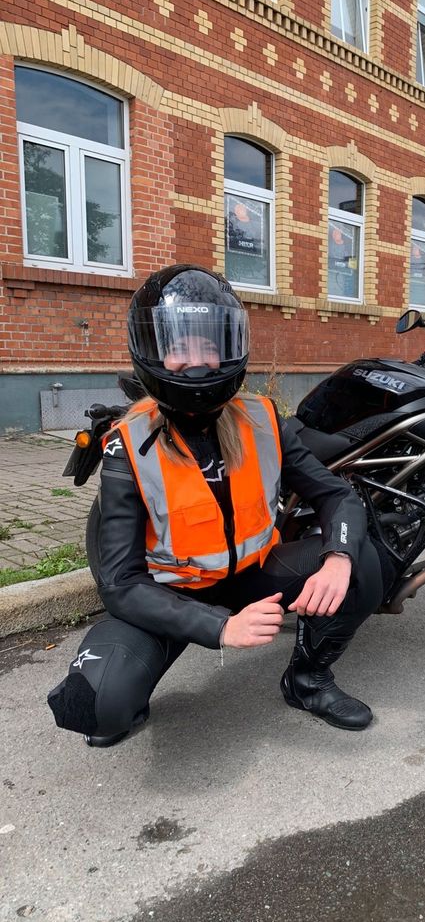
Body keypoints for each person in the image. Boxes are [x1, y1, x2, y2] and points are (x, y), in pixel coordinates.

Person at [47, 264, 386, 747]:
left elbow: (337, 496)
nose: (196, 360)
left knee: (362, 564)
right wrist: (220, 627)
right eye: (179, 345)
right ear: (155, 351)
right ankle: (129, 691)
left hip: (253, 574)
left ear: (228, 347)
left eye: (208, 344)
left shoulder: (263, 420)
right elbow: (120, 583)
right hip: (172, 592)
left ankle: (307, 680)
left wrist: (337, 558)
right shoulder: (127, 446)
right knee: (94, 708)